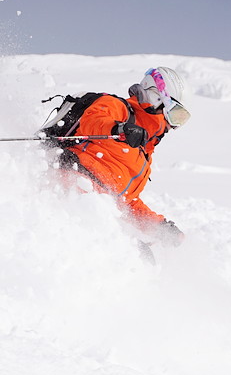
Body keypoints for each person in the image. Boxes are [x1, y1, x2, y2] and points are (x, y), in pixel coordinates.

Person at [55, 67, 191, 246]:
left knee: (140, 256)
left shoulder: (143, 156)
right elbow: (91, 120)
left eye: (181, 119)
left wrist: (158, 226)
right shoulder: (119, 109)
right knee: (130, 251)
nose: (173, 126)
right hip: (71, 185)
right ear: (156, 98)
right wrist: (119, 128)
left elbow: (128, 203)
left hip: (96, 208)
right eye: (175, 115)